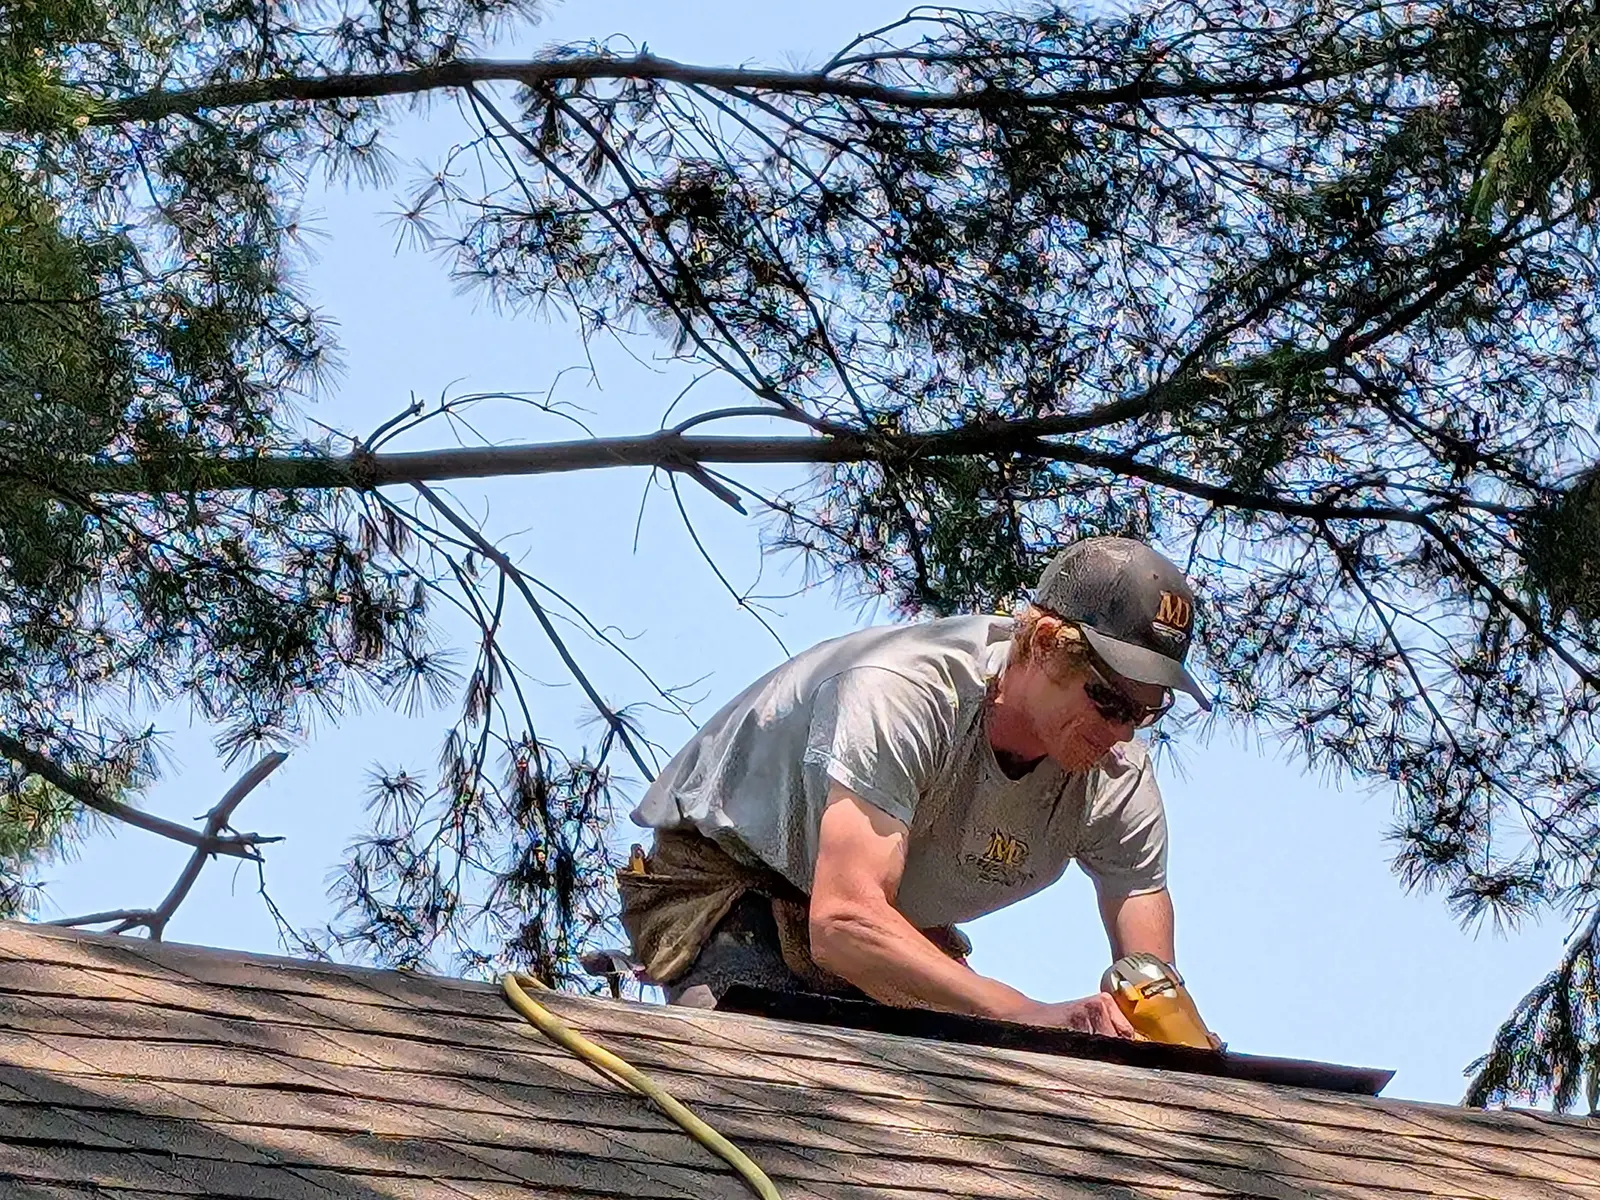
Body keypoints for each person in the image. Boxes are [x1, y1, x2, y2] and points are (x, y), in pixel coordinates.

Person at [619, 536, 1210, 1036]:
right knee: (761, 1076)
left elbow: (1150, 979)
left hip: (888, 924)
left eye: (1145, 711)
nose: (1121, 730)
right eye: (1108, 700)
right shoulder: (905, 696)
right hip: (733, 885)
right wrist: (1021, 1012)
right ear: (1045, 644)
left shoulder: (1116, 775)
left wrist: (1177, 1046)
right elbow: (844, 924)